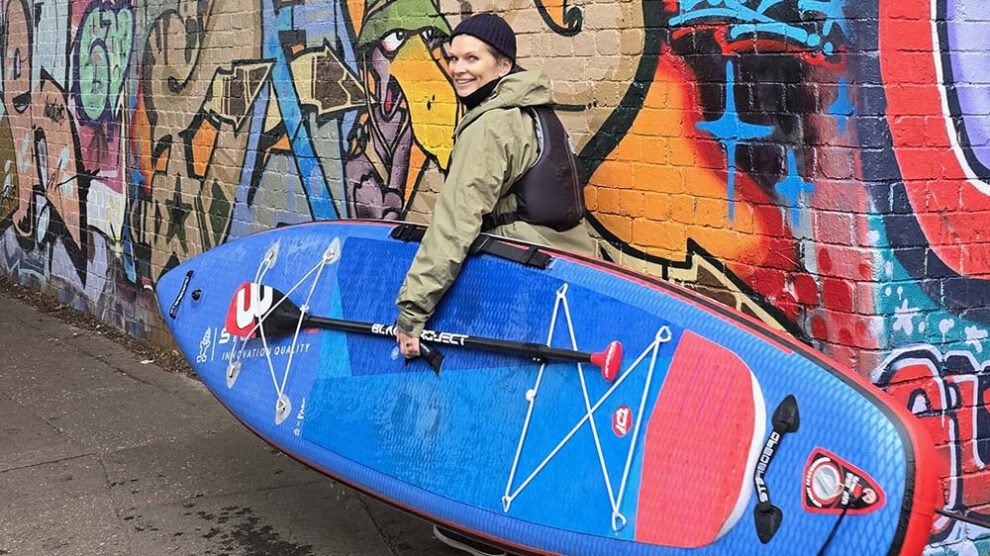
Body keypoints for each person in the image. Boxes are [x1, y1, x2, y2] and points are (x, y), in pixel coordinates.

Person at [393, 12, 595, 361]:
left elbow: (455, 223)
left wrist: (413, 313)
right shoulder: (537, 112)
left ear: (504, 65)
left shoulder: (490, 126)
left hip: (520, 281)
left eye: (472, 59)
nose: (458, 69)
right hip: (567, 268)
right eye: (453, 58)